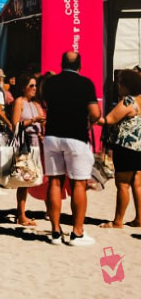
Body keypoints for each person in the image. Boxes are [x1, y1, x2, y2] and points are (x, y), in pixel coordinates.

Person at [42, 51, 101, 246]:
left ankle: (55, 231)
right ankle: (77, 232)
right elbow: (94, 113)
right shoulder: (86, 84)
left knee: (55, 182)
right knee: (78, 184)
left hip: (52, 135)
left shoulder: (50, 83)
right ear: (79, 66)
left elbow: (45, 104)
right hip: (76, 136)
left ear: (61, 64)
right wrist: (90, 122)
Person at [97, 69, 141, 229]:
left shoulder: (128, 101)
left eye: (120, 84)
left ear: (126, 85)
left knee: (122, 184)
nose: (118, 87)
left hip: (127, 147)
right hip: (140, 147)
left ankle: (117, 221)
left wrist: (92, 117)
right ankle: (139, 219)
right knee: (138, 183)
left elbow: (108, 120)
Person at [10, 75, 46, 225]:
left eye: (35, 86)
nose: (34, 89)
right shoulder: (20, 102)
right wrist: (33, 121)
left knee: (33, 178)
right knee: (24, 180)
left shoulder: (35, 104)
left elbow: (42, 120)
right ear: (24, 87)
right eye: (31, 86)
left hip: (36, 143)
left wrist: (40, 130)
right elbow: (15, 125)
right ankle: (21, 215)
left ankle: (27, 213)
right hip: (25, 144)